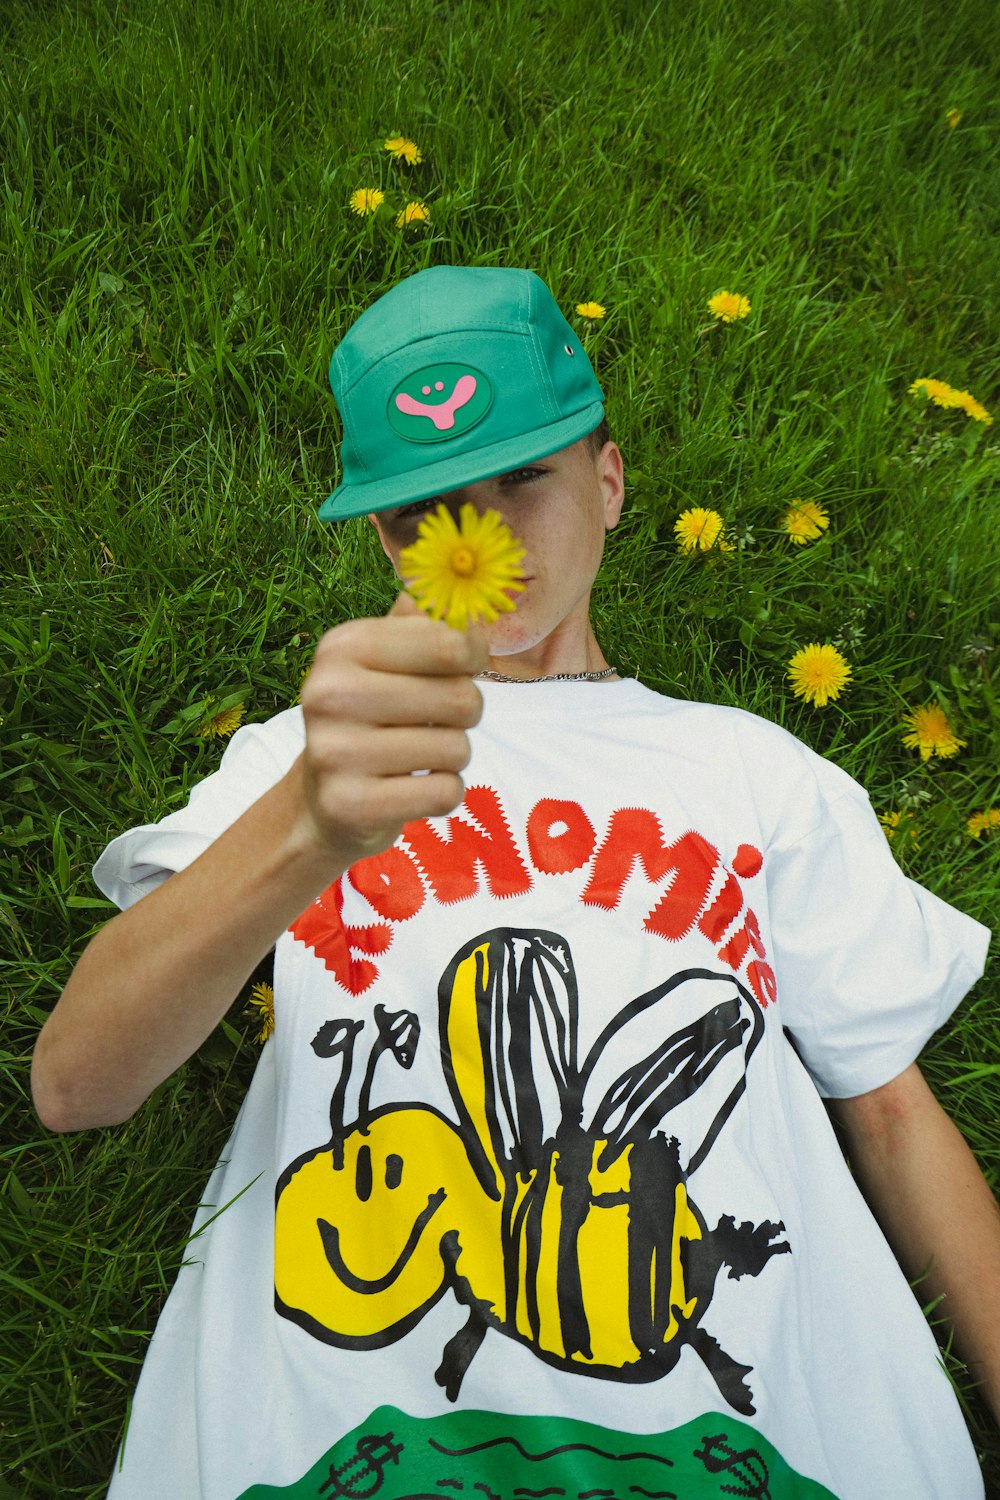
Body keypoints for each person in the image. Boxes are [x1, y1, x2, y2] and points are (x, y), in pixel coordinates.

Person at [31, 266, 1000, 1500]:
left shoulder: (755, 770)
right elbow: (75, 1084)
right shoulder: (301, 757)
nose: (476, 542)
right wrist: (306, 828)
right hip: (349, 1442)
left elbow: (893, 1112)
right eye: (421, 513)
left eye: (521, 481)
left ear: (607, 482)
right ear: (383, 541)